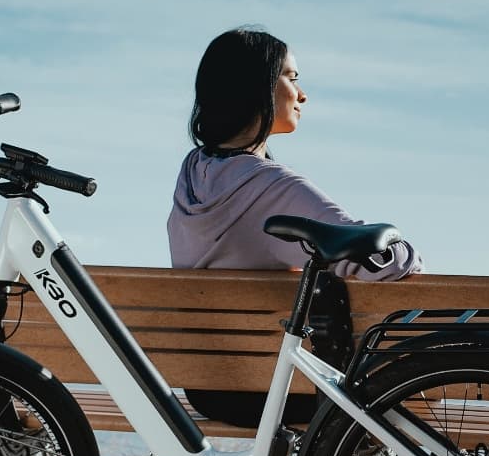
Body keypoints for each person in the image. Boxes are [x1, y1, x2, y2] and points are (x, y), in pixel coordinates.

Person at [168, 27, 422, 428]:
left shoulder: (192, 175)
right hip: (286, 387)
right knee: (390, 391)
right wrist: (407, 251)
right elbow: (380, 262)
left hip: (209, 388)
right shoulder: (273, 187)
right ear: (256, 88)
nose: (302, 95)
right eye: (292, 78)